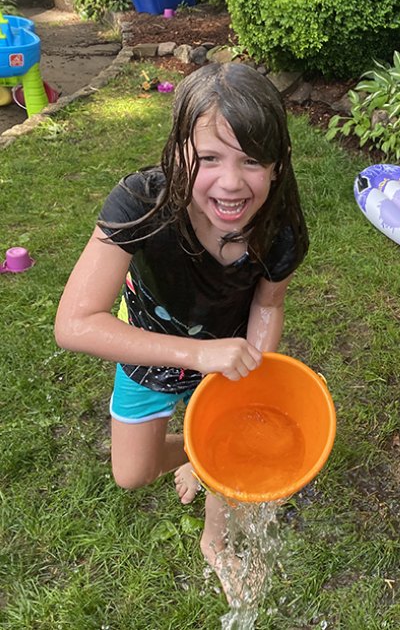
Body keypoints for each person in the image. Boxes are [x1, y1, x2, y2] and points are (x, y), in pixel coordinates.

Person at [54, 62, 309, 596]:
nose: (232, 183)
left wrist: (250, 381)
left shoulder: (279, 226)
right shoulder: (142, 204)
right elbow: (75, 323)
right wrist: (196, 355)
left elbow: (269, 303)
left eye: (252, 161)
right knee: (132, 472)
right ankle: (194, 450)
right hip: (150, 349)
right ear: (177, 156)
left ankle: (214, 539)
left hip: (231, 356)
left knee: (230, 442)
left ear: (278, 166)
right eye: (209, 158)